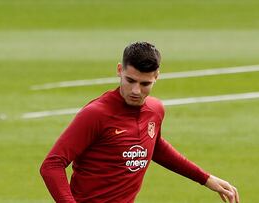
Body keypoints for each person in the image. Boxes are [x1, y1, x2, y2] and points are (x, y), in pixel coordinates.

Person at [40, 42, 240, 203]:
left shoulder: (155, 110)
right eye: (130, 80)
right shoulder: (96, 114)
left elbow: (155, 147)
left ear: (157, 77)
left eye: (145, 84)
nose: (136, 91)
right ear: (120, 70)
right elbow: (52, 165)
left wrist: (206, 179)